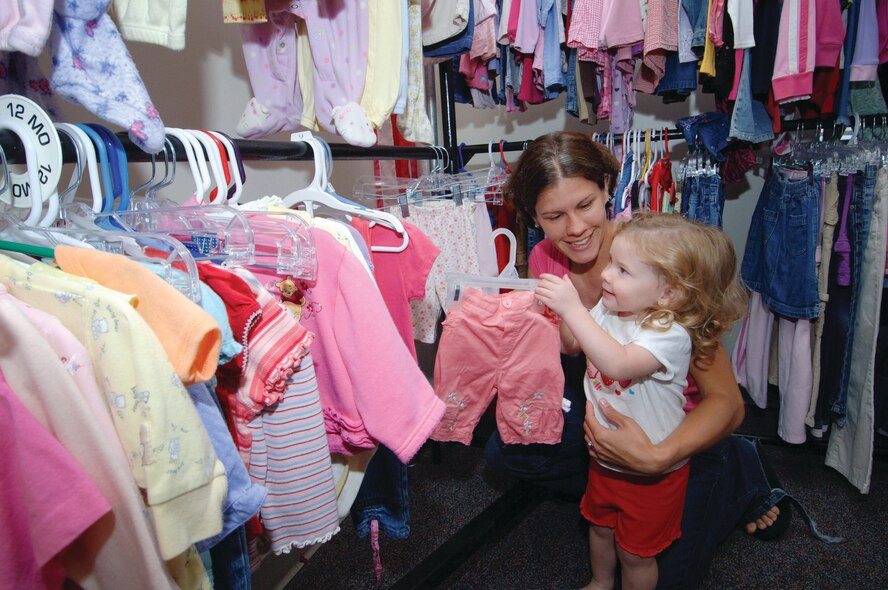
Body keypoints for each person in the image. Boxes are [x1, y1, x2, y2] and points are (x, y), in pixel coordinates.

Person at [482, 131, 788, 589]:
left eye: (585, 204)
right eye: (553, 216)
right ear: (534, 217)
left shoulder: (654, 255)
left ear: (608, 186)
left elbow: (726, 400)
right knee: (507, 451)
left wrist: (657, 457)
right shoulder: (546, 257)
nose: (575, 228)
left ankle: (737, 468)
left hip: (673, 429)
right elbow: (568, 347)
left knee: (656, 571)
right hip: (610, 406)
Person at [535, 213, 747, 590]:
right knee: (600, 528)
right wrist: (544, 314)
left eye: (622, 270)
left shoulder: (670, 333)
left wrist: (572, 308)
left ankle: (747, 479)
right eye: (611, 263)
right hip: (604, 457)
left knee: (636, 552)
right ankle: (601, 581)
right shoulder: (612, 306)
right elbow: (575, 340)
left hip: (654, 475)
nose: (606, 275)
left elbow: (617, 363)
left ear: (667, 293)